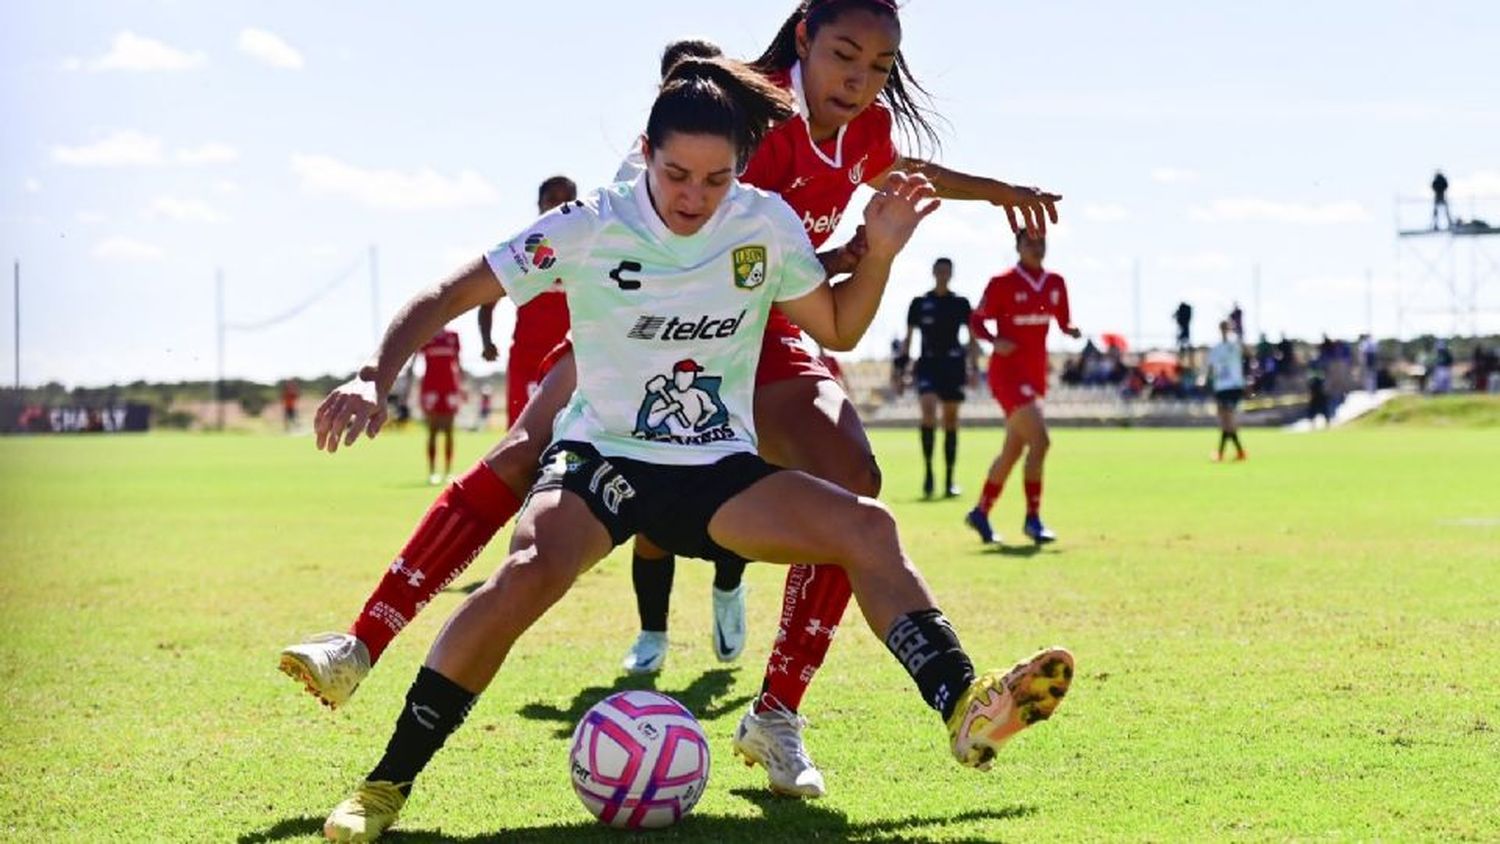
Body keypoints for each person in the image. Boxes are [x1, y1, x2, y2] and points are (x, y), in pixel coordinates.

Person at [281, 0, 1066, 800]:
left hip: (755, 327)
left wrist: (976, 202)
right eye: (844, 56)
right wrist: (372, 374)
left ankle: (783, 714)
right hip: (642, 327)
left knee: (854, 489)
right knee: (525, 457)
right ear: (804, 38)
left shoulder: (841, 145)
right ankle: (362, 644)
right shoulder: (735, 117)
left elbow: (870, 229)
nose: (860, 80)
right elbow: (631, 229)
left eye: (879, 66)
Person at [965, 229, 1080, 545]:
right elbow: (976, 320)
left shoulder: (1055, 282)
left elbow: (1062, 320)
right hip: (1007, 375)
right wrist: (992, 341)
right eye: (1029, 242)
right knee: (1041, 442)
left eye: (1041, 242)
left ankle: (980, 512)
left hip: (1035, 375)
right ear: (1017, 246)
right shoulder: (1002, 282)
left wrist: (1070, 330)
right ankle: (1033, 519)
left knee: (1013, 450)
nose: (1036, 247)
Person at [477, 176, 579, 428]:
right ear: (539, 205)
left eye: (566, 200)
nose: (558, 206)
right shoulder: (523, 249)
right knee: (522, 437)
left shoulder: (586, 251)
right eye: (552, 200)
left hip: (572, 361)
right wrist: (487, 341)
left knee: (570, 436)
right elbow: (487, 301)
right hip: (528, 361)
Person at [902, 257, 977, 498]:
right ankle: (928, 474)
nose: (943, 274)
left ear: (951, 274)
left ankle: (949, 479)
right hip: (928, 363)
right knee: (928, 411)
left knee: (951, 420)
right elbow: (909, 339)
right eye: (939, 270)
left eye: (947, 271)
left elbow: (973, 338)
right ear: (934, 272)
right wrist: (901, 367)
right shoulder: (919, 303)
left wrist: (973, 367)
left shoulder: (961, 303)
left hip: (953, 364)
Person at [417, 328, 464, 484]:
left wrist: (462, 387)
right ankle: (432, 472)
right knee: (432, 431)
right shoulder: (425, 334)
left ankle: (448, 472)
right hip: (431, 386)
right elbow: (414, 362)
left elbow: (458, 363)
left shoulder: (453, 336)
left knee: (449, 431)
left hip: (450, 386)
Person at [1207, 320, 1247, 462]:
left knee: (1228, 420)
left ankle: (1223, 453)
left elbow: (1246, 351)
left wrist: (1237, 330)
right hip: (1220, 388)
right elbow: (1211, 369)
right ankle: (1237, 452)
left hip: (1233, 387)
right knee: (1225, 422)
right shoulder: (1216, 349)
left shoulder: (1234, 345)